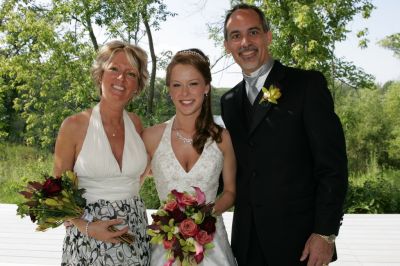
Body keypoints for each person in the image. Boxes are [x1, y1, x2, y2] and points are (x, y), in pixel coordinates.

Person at [221, 3, 348, 266]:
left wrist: (325, 233)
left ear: (267, 35)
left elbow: (332, 167)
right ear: (227, 45)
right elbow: (235, 169)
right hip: (246, 243)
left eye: (253, 32)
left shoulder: (307, 85)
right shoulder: (229, 101)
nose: (245, 42)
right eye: (236, 36)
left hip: (300, 244)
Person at [53, 40, 151, 265]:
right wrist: (86, 225)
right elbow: (56, 193)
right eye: (114, 69)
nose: (121, 79)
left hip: (134, 232)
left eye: (130, 74)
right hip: (89, 238)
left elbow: (140, 173)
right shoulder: (74, 125)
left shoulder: (136, 123)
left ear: (137, 85)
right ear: (100, 76)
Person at [142, 49, 237, 266]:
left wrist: (202, 218)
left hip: (212, 244)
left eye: (193, 84)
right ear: (169, 90)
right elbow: (129, 184)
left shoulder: (222, 138)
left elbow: (230, 192)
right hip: (165, 247)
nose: (185, 93)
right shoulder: (151, 137)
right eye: (177, 85)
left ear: (206, 87)